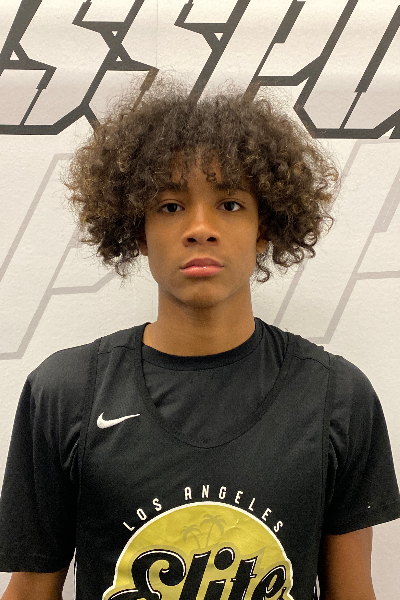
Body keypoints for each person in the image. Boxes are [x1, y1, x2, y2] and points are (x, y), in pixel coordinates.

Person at [0, 78, 399, 600]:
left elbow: (353, 591)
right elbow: (30, 590)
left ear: (263, 228)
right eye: (170, 206)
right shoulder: (66, 393)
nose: (200, 228)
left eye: (230, 204)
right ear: (138, 231)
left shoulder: (338, 398)